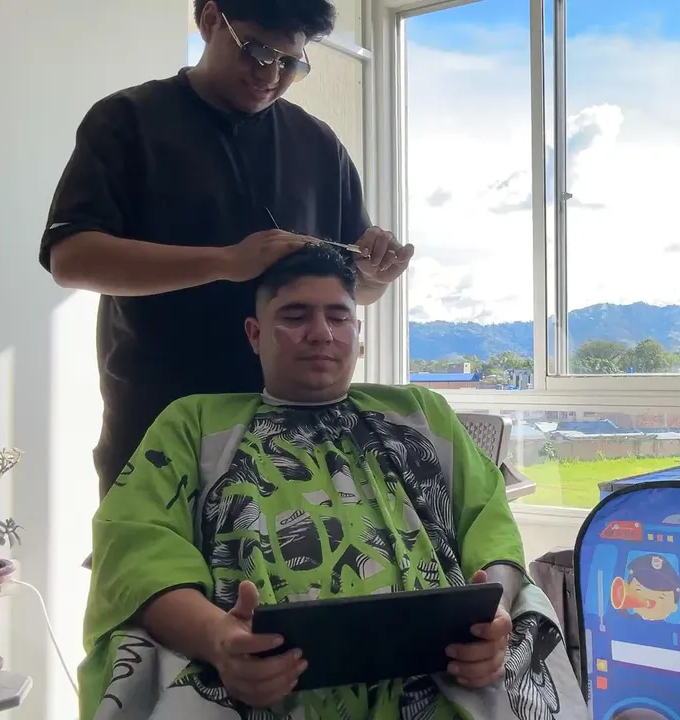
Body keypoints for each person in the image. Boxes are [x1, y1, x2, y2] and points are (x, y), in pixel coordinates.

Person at [78, 245, 586, 720]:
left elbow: (489, 520)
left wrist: (494, 619)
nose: (321, 333)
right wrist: (218, 640)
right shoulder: (193, 425)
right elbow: (136, 550)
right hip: (253, 691)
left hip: (443, 684)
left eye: (338, 317)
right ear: (255, 334)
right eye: (295, 316)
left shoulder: (420, 414)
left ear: (357, 333)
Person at [39, 0, 413, 497]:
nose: (271, 76)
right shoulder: (128, 121)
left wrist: (375, 276)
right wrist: (224, 262)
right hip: (160, 427)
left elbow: (354, 288)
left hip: (296, 440)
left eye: (290, 63)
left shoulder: (318, 145)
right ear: (211, 20)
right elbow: (71, 258)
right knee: (155, 548)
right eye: (257, 52)